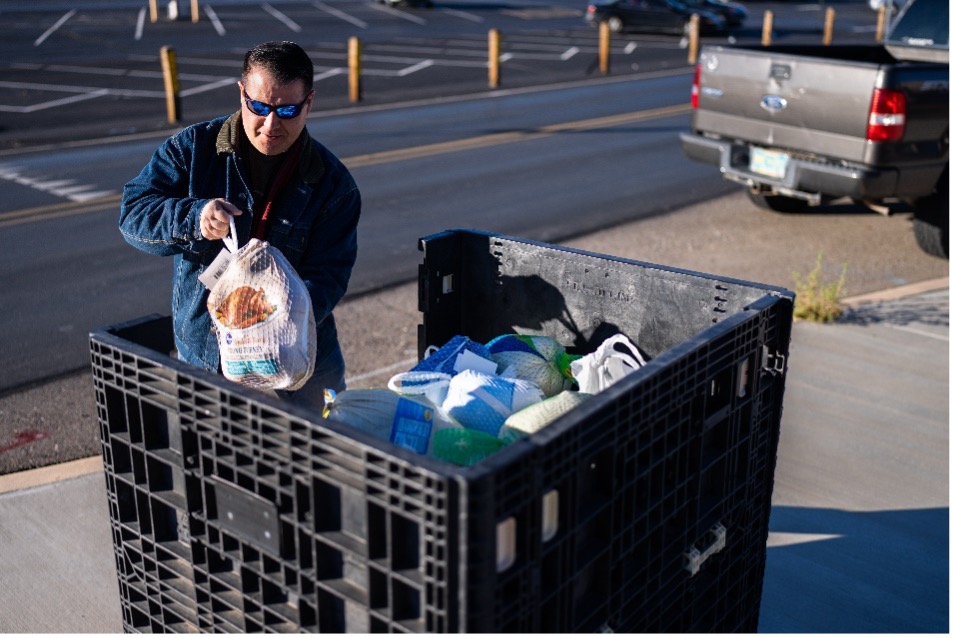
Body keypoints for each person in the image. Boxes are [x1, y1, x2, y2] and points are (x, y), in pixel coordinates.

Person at [119, 40, 361, 404]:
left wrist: (267, 322)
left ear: (309, 103)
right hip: (207, 357)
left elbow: (330, 275)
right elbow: (133, 214)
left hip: (298, 367)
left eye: (288, 110)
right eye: (259, 106)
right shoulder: (191, 150)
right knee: (214, 458)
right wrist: (194, 218)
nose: (271, 124)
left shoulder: (334, 186)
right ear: (241, 93)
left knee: (311, 457)